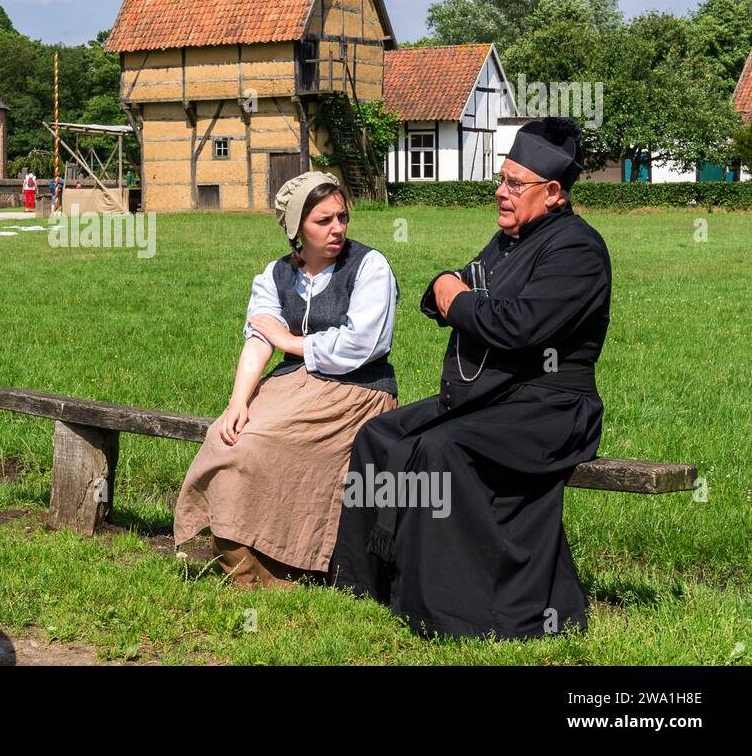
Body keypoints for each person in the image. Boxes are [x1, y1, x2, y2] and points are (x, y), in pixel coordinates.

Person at [328, 117, 611, 640]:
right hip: (494, 398)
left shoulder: (577, 250)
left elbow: (519, 328)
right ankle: (367, 582)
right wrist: (447, 287)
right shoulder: (507, 241)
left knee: (440, 449)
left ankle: (447, 610)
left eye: (513, 184)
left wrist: (455, 296)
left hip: (551, 409)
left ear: (552, 193)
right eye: (500, 180)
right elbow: (447, 292)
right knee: (379, 436)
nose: (500, 193)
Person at [174, 172, 400, 588]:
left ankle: (290, 565)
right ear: (297, 228)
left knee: (267, 443)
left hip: (357, 390)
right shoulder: (276, 275)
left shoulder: (370, 267)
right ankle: (241, 559)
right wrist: (237, 402)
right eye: (323, 221)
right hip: (295, 384)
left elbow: (361, 345)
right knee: (226, 439)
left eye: (342, 217)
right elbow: (260, 339)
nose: (337, 229)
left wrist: (290, 341)